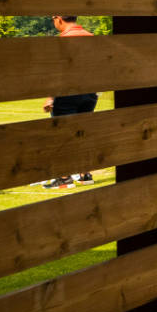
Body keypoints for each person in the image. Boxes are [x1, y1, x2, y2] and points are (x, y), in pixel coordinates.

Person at [42, 15, 97, 187]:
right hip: (89, 93)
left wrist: (51, 97)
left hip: (67, 95)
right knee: (82, 134)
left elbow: (57, 72)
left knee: (63, 135)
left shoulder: (62, 40)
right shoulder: (91, 37)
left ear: (58, 19)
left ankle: (64, 178)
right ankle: (85, 174)